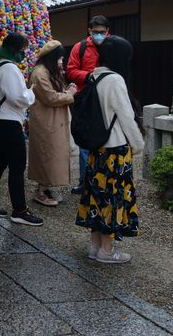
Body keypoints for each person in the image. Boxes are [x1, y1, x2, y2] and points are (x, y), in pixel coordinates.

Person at [75, 35, 143, 263]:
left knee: (96, 197)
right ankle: (107, 250)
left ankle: (95, 247)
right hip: (115, 149)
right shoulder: (115, 80)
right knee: (112, 200)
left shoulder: (95, 76)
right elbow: (126, 117)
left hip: (96, 148)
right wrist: (138, 145)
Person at [0, 32, 43, 226]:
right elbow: (18, 98)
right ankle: (20, 210)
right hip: (9, 123)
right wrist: (31, 93)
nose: (24, 54)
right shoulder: (10, 69)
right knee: (17, 166)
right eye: (23, 50)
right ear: (15, 50)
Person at [27, 40, 77, 206]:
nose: (61, 61)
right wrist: (70, 93)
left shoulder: (49, 70)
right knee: (47, 155)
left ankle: (45, 187)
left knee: (52, 154)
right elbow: (50, 98)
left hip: (52, 120)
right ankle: (41, 191)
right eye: (59, 57)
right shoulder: (40, 73)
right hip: (46, 121)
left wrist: (66, 90)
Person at [66, 15, 110, 194]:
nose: (99, 35)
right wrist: (88, 76)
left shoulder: (113, 46)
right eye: (96, 32)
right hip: (85, 99)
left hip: (107, 98)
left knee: (107, 141)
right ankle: (85, 181)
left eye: (102, 32)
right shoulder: (80, 47)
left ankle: (103, 180)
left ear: (108, 32)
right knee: (84, 141)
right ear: (89, 31)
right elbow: (70, 70)